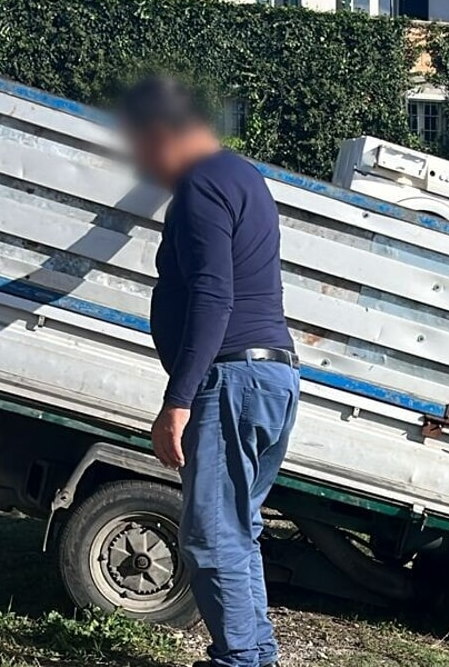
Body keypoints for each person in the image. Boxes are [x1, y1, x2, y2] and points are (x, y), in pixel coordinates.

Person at [120, 76, 300, 667]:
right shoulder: (241, 175)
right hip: (271, 379)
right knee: (236, 530)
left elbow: (213, 296)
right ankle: (253, 654)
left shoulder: (200, 185)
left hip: (233, 382)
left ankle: (241, 660)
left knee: (211, 536)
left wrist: (179, 397)